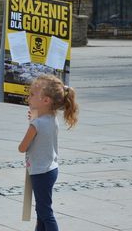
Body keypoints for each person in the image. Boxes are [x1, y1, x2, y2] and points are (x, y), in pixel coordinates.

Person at [19, 74, 79, 231]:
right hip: (50, 169)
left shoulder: (37, 123)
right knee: (41, 210)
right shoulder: (52, 118)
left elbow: (22, 147)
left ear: (46, 101)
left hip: (40, 172)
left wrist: (32, 122)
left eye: (32, 94)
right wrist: (33, 119)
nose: (28, 97)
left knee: (45, 212)